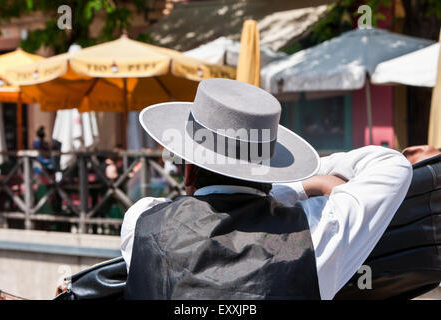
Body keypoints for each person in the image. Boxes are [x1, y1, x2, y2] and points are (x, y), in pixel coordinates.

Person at [120, 78, 412, 300]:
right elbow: (391, 164)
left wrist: (294, 186)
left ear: (188, 171)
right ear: (271, 170)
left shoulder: (141, 222)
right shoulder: (317, 231)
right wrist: (302, 182)